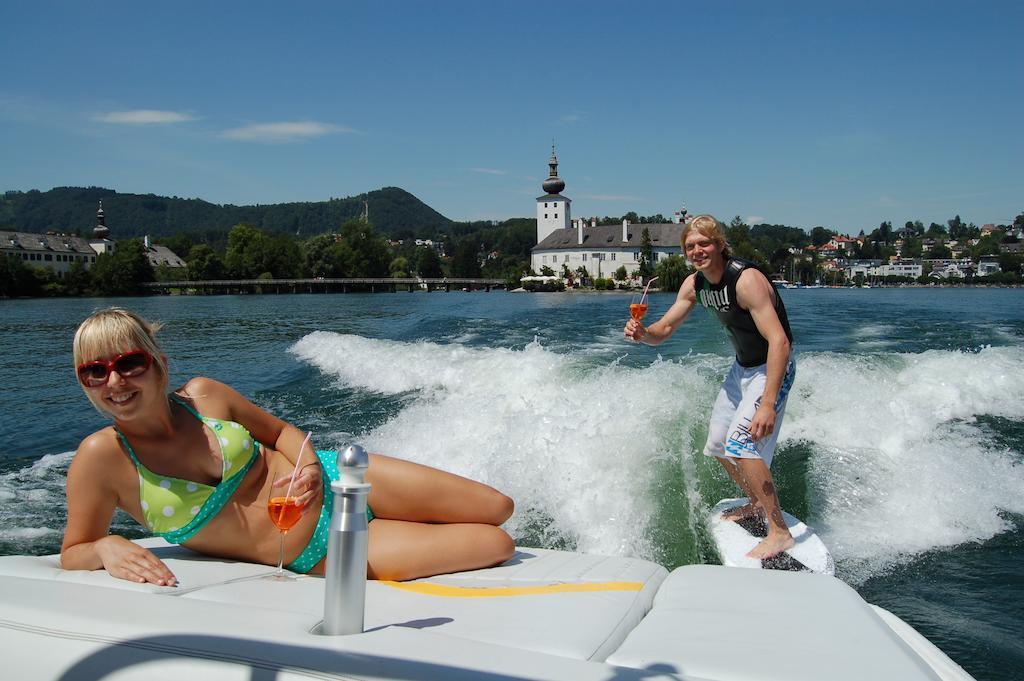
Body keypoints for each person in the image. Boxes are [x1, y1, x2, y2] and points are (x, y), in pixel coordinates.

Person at [62, 307, 515, 586]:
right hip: (318, 550)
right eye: (94, 372)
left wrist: (315, 468)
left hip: (343, 477)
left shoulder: (206, 395)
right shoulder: (101, 458)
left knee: (498, 506)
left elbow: (280, 434)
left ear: (158, 363)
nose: (115, 381)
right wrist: (106, 547)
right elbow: (73, 549)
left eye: (129, 363)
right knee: (495, 543)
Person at [624, 215, 797, 559]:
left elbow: (779, 342)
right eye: (690, 246)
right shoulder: (695, 284)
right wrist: (644, 334)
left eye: (704, 243)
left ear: (719, 244)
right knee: (719, 444)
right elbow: (665, 329)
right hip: (742, 369)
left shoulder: (746, 281)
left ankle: (780, 532)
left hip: (772, 367)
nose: (697, 251)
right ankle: (755, 503)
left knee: (741, 443)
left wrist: (767, 403)